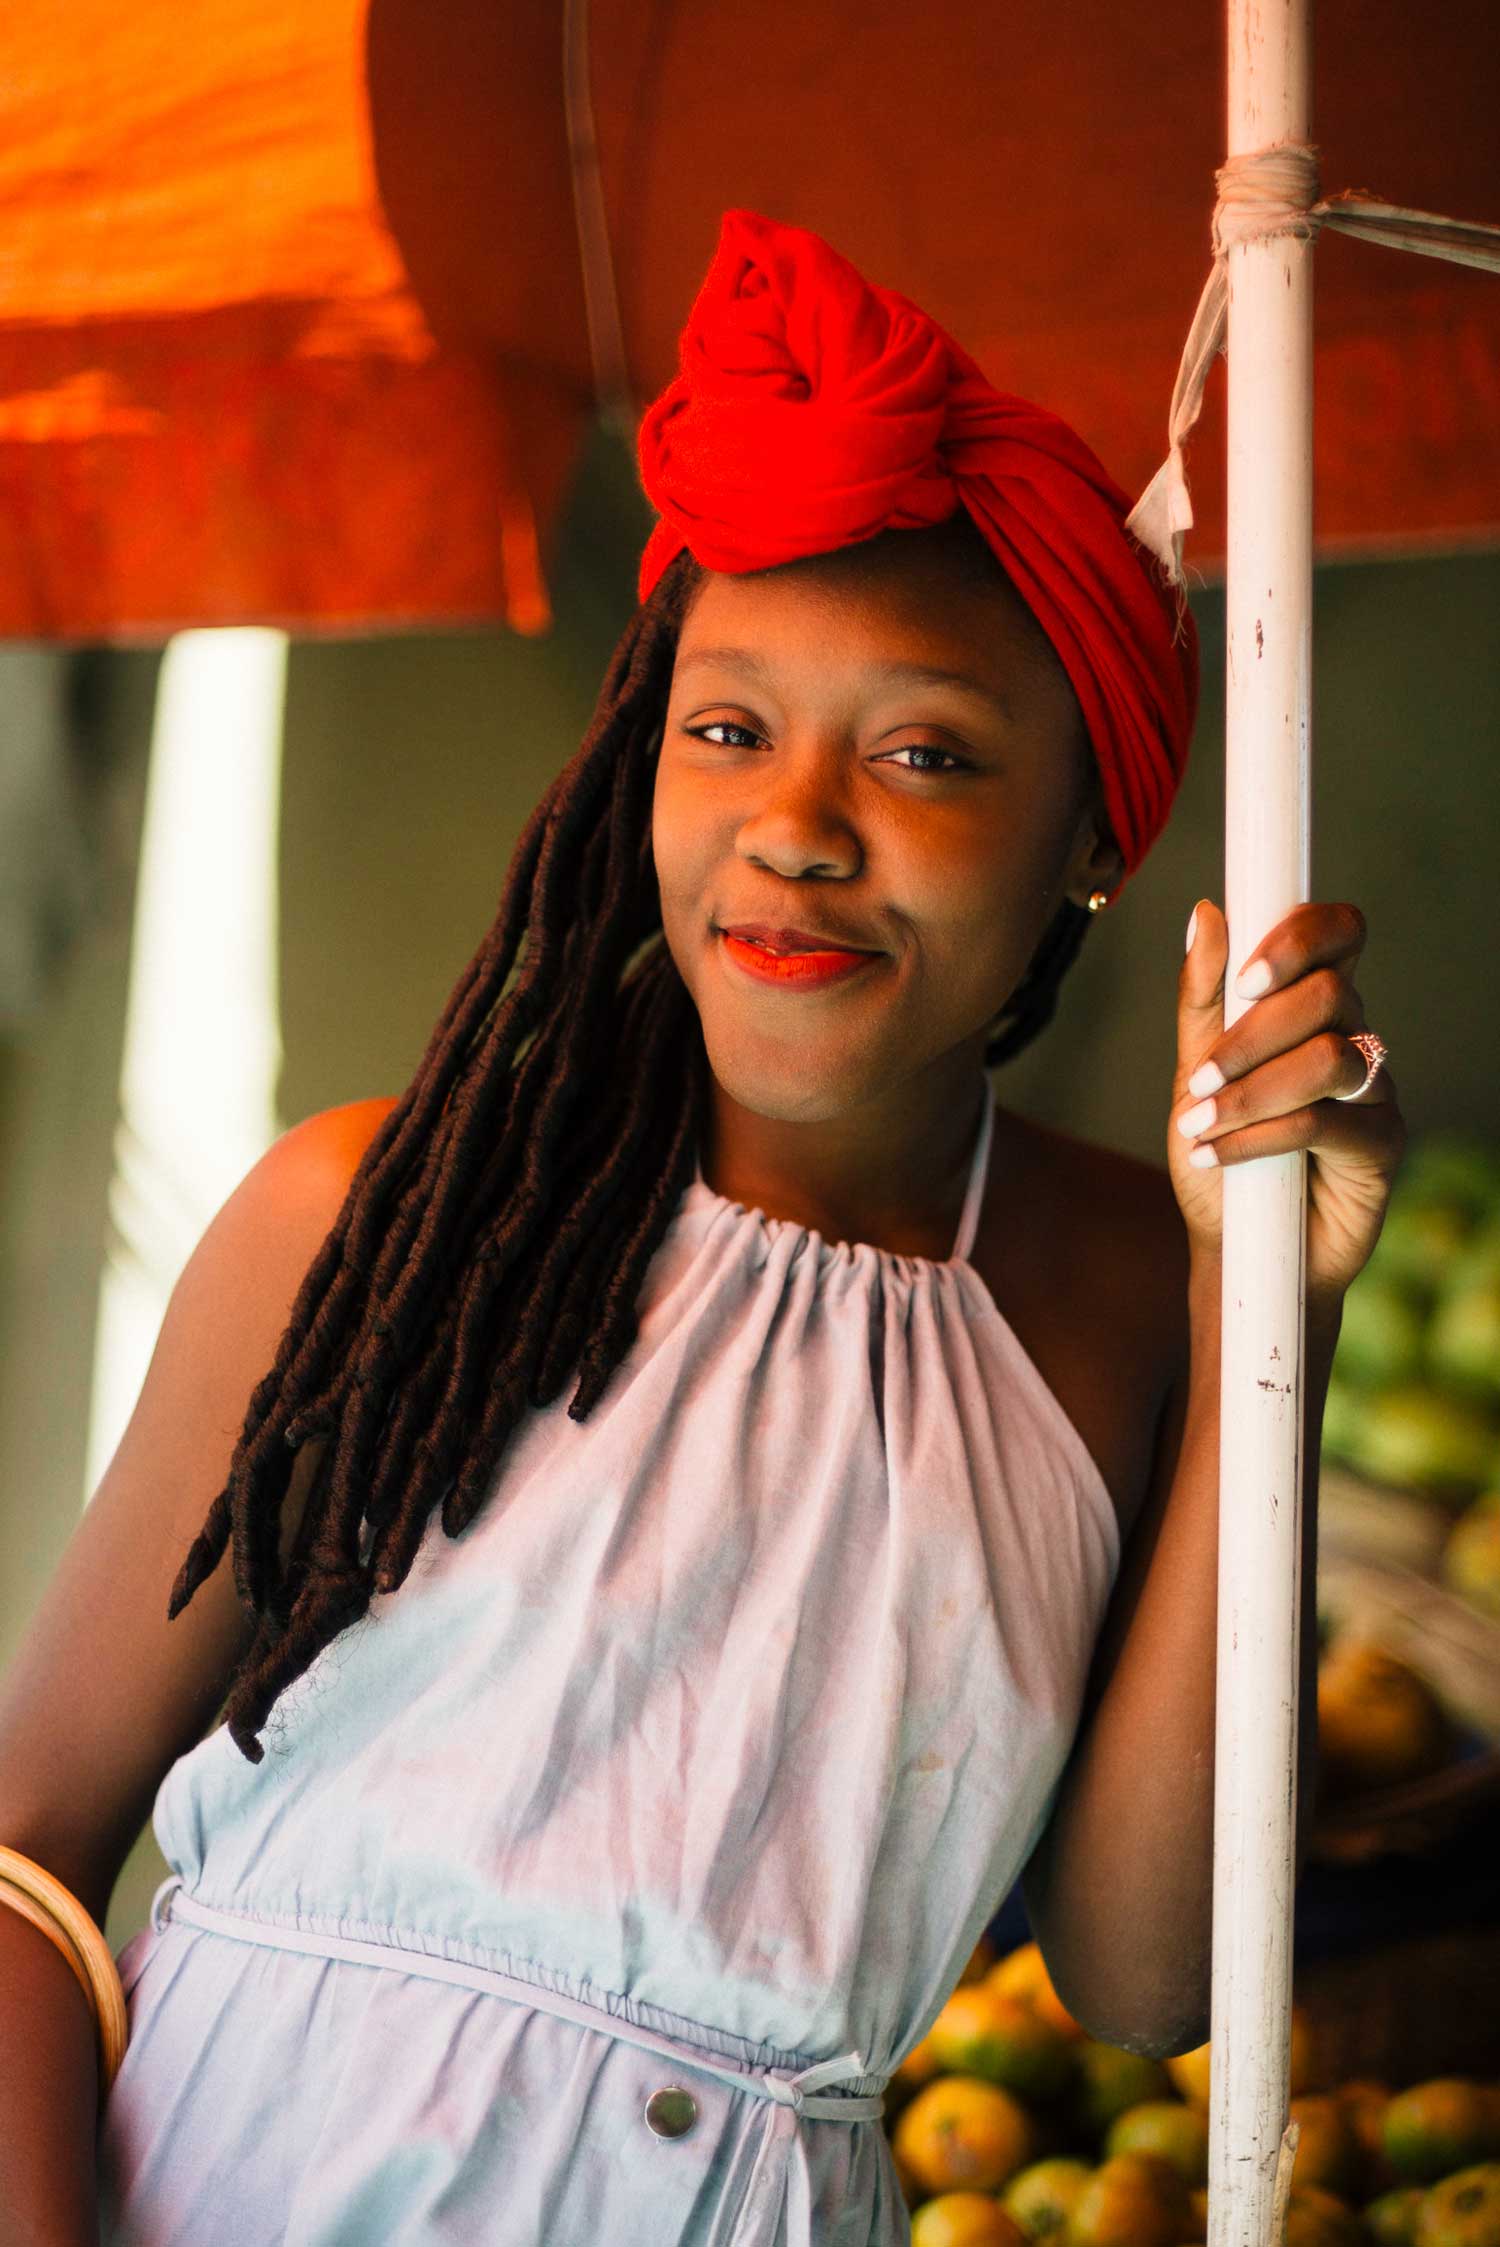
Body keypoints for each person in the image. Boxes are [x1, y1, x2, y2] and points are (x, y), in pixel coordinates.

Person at [0, 209, 1402, 2246]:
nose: (799, 822)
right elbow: (26, 1855)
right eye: (730, 725)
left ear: (1099, 827)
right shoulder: (370, 1228)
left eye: (925, 752)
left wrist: (1274, 1304)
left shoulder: (1121, 1297)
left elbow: (1142, 1971)